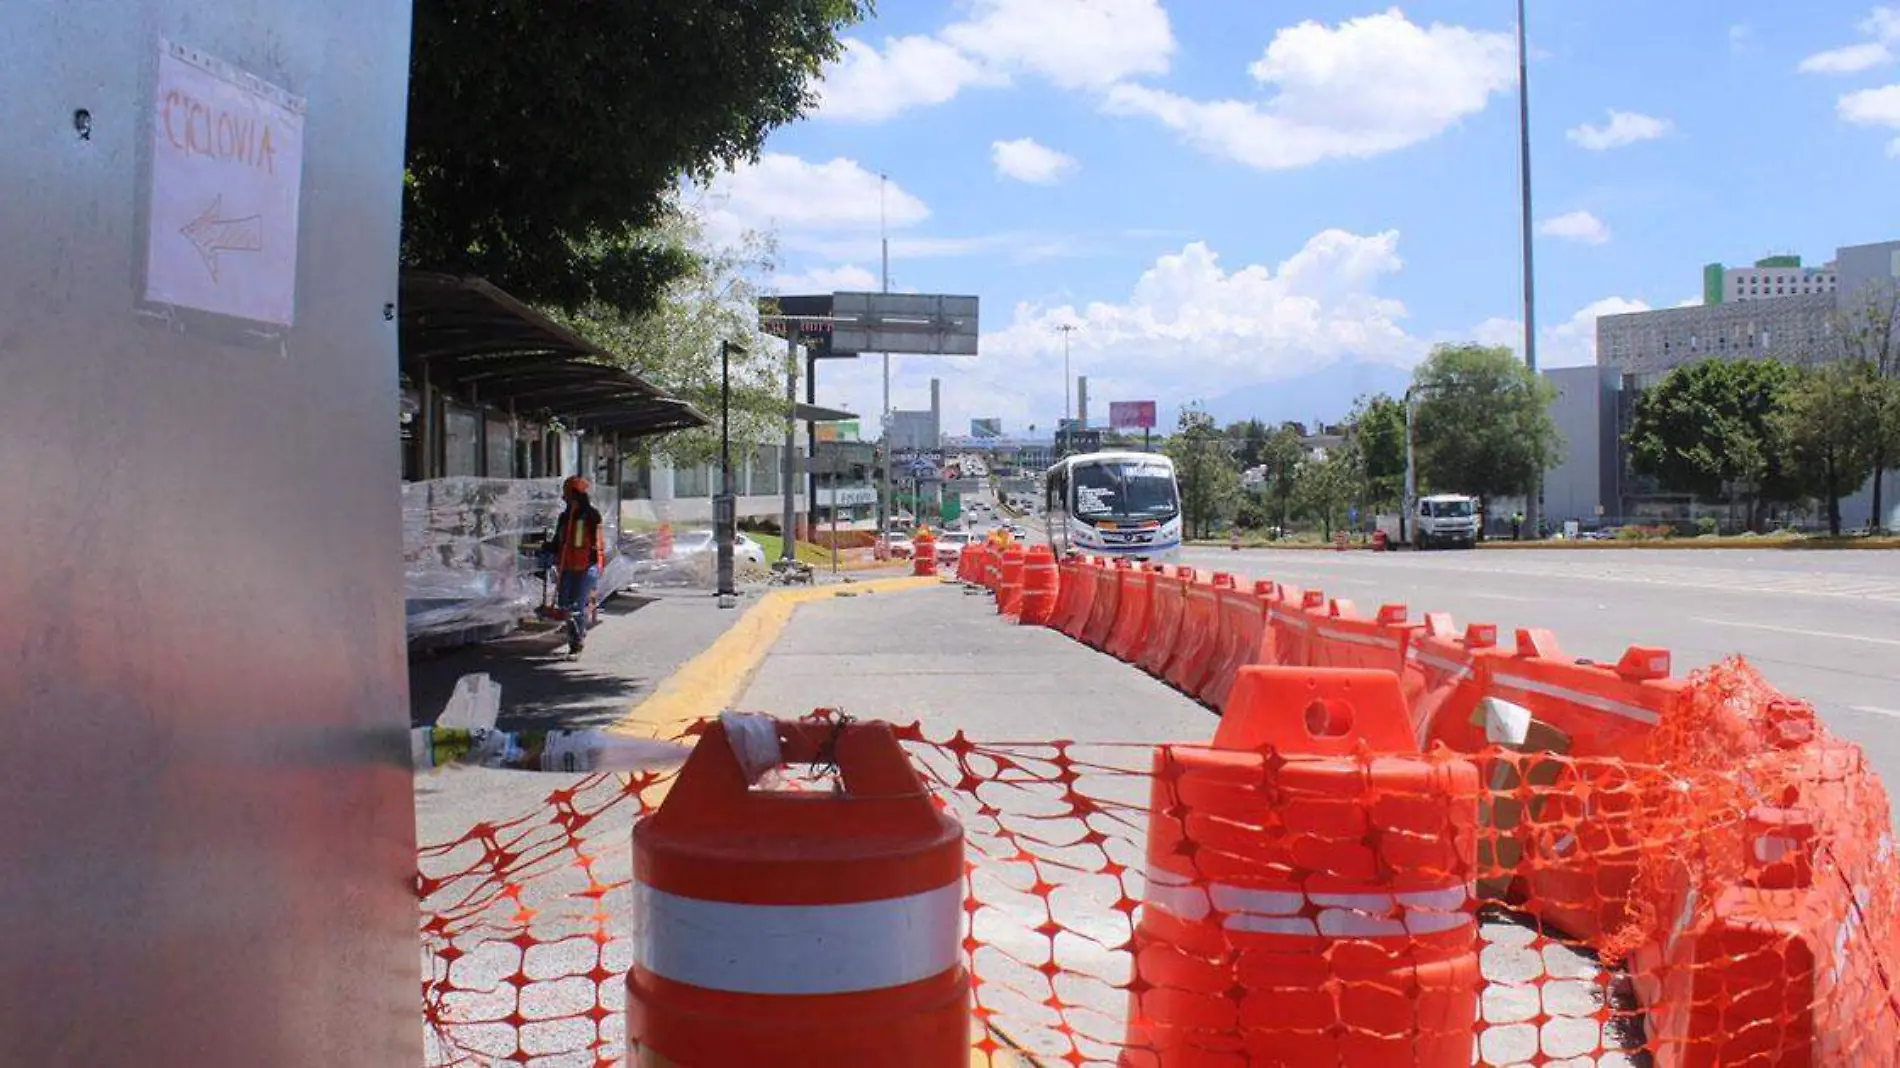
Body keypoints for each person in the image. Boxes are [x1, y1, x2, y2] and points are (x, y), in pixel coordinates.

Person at [552, 475, 606, 659]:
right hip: (567, 566)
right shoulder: (565, 517)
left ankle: (577, 643)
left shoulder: (590, 516)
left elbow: (594, 540)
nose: (564, 497)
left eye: (567, 493)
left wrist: (579, 510)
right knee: (565, 604)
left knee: (576, 605)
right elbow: (557, 542)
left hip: (586, 566)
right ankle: (574, 637)